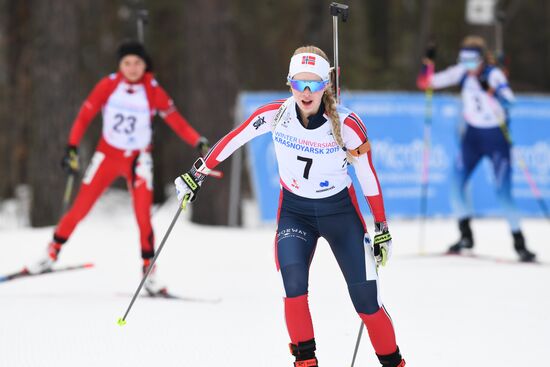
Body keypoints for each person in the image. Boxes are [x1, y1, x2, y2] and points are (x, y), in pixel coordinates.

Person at [175, 46, 405, 367]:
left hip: (341, 215)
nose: (306, 92)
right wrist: (196, 173)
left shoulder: (348, 124)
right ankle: (306, 363)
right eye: (299, 83)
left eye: (314, 84)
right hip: (295, 214)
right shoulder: (275, 114)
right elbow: (234, 139)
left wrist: (381, 228)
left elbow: (367, 176)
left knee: (367, 303)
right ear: (289, 84)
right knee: (293, 287)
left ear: (326, 85)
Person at [27, 40, 210, 294]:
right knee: (80, 208)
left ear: (145, 65)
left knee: (143, 217)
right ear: (120, 65)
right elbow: (84, 115)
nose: (132, 68)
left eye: (137, 63)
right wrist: (71, 147)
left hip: (138, 160)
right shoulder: (109, 85)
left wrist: (197, 141)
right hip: (107, 155)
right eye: (127, 63)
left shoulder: (153, 89)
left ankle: (149, 272)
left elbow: (176, 121)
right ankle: (51, 253)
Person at [417, 35, 536, 262]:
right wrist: (427, 63)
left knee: (503, 193)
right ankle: (465, 236)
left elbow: (511, 102)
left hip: (496, 138)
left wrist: (492, 91)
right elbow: (426, 83)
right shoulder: (461, 72)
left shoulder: (494, 74)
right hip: (472, 137)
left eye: (471, 60)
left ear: (482, 60)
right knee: (456, 184)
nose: (467, 65)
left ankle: (520, 244)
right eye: (463, 59)